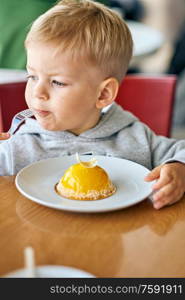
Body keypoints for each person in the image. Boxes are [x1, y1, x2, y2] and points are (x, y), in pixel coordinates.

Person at [0, 0, 185, 211]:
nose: (37, 93)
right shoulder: (18, 146)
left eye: (57, 82)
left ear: (104, 94)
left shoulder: (135, 137)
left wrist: (178, 169)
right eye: (32, 76)